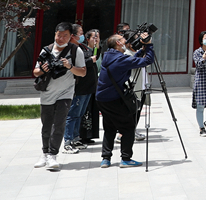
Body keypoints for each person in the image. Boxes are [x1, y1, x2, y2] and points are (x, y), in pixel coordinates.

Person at [96, 32, 155, 168]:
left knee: (109, 127)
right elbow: (147, 61)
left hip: (102, 98)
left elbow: (130, 60)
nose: (126, 41)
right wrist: (149, 45)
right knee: (128, 126)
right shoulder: (120, 59)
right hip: (113, 98)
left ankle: (106, 158)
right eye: (123, 39)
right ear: (118, 43)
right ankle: (126, 158)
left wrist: (142, 50)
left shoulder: (109, 56)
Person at [33, 22, 86, 170]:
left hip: (65, 93)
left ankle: (52, 155)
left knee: (59, 124)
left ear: (71, 36)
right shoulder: (46, 50)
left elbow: (82, 72)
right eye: (59, 35)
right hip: (47, 93)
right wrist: (43, 70)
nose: (61, 38)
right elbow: (35, 72)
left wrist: (69, 66)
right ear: (55, 34)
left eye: (65, 36)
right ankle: (45, 153)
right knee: (46, 125)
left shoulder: (76, 50)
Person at [63, 23, 97, 153]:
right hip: (78, 87)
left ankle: (76, 138)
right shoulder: (69, 49)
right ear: (73, 36)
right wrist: (90, 61)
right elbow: (74, 66)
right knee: (73, 115)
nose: (82, 36)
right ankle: (68, 140)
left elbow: (93, 56)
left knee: (80, 114)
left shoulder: (82, 47)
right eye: (80, 33)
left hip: (88, 87)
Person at [79, 29, 101, 144]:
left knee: (93, 110)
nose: (96, 39)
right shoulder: (82, 49)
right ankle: (82, 135)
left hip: (95, 84)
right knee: (84, 111)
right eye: (94, 37)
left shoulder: (96, 50)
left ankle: (90, 134)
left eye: (98, 37)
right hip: (85, 84)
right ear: (87, 39)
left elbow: (97, 59)